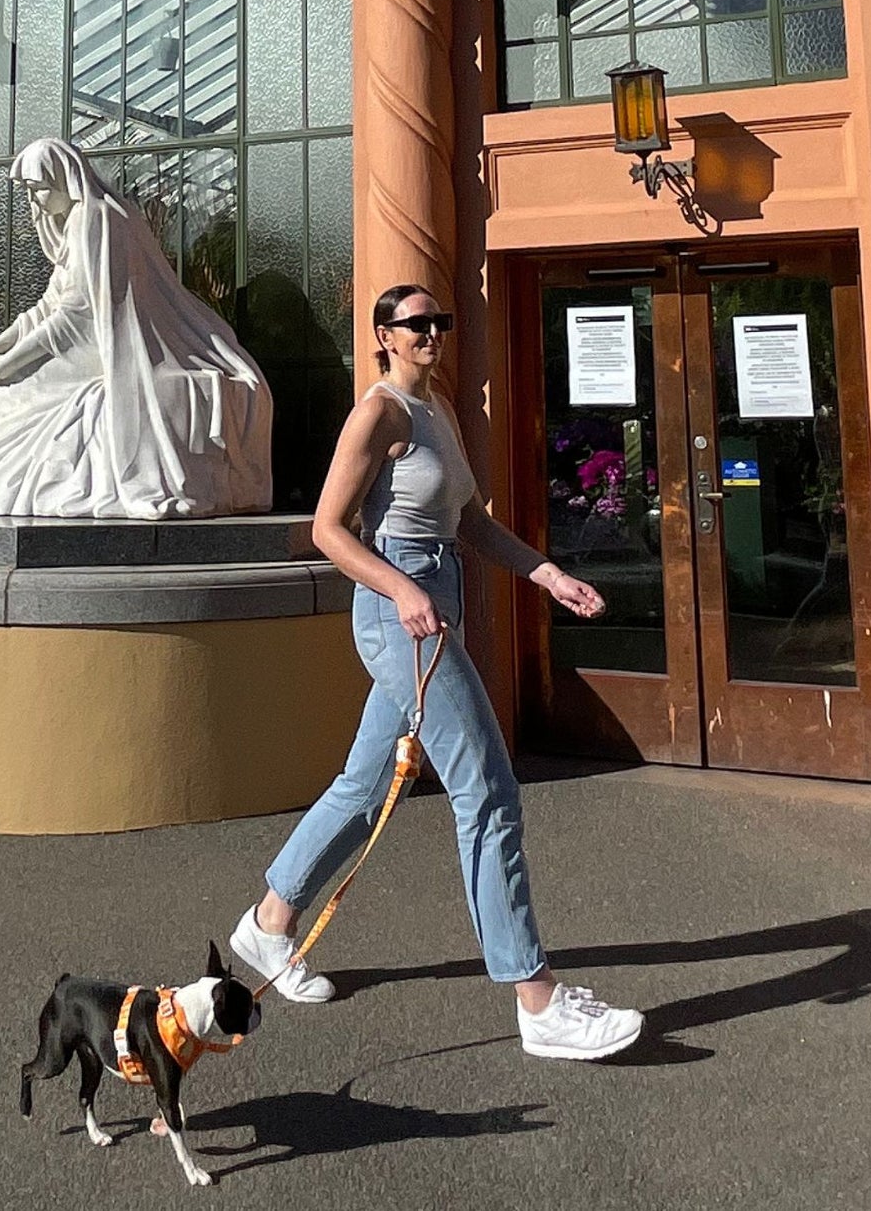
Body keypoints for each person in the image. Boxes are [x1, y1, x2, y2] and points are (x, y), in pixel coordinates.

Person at [229, 283, 644, 1060]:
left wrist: (546, 574)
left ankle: (270, 922)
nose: (432, 334)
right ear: (383, 335)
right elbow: (326, 529)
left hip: (433, 597)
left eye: (439, 323)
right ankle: (538, 998)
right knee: (487, 789)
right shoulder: (378, 413)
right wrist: (403, 586)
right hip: (400, 613)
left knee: (363, 784)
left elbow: (472, 523)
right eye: (416, 325)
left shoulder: (438, 413)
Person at [0, 138, 271, 518]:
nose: (33, 200)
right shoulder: (79, 221)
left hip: (101, 346)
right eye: (27, 190)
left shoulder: (98, 220)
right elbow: (50, 304)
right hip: (74, 339)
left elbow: (78, 317)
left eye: (39, 188)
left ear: (65, 180)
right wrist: (1, 347)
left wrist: (13, 363)